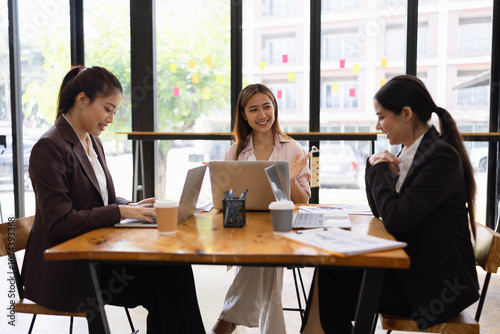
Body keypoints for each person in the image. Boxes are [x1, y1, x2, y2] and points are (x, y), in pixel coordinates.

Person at [21, 65, 206, 334]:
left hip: (97, 254)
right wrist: (119, 212)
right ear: (82, 100)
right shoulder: (50, 147)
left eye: (114, 112)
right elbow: (60, 222)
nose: (110, 118)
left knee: (173, 268)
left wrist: (130, 206)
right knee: (165, 283)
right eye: (107, 109)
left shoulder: (92, 142)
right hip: (69, 269)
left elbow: (98, 199)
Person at [301, 75, 480, 333]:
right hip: (417, 268)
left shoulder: (440, 157)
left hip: (439, 287)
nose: (378, 125)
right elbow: (380, 210)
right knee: (330, 269)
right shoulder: (411, 153)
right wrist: (374, 165)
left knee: (333, 278)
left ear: (406, 114)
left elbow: (395, 218)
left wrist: (378, 170)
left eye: (382, 116)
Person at [210, 83, 312, 334]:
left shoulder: (292, 149)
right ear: (243, 115)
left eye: (267, 107)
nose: (262, 115)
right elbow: (225, 201)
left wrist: (287, 179)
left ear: (275, 108)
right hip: (244, 230)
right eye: (253, 109)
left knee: (262, 253)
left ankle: (225, 323)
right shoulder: (234, 152)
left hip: (283, 228)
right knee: (264, 256)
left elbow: (304, 202)